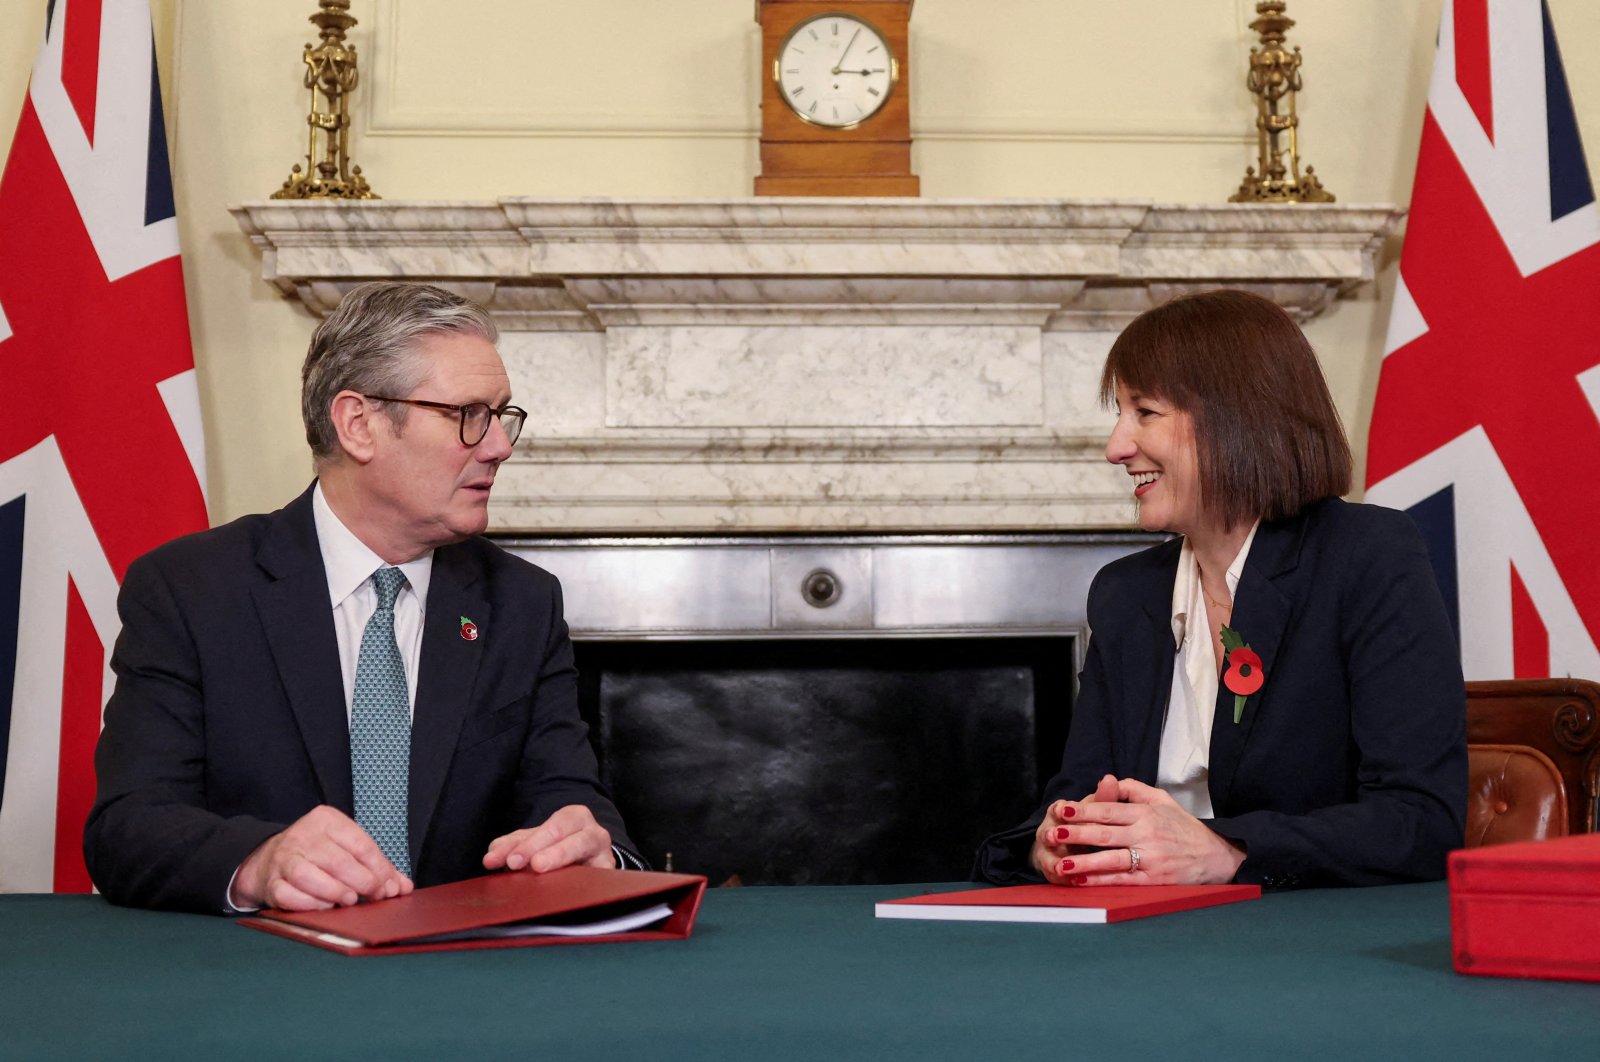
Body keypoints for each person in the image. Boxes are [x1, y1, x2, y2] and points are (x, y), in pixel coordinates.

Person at [85, 281, 642, 914]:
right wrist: (257, 863)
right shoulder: (192, 590)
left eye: (501, 414)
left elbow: (569, 799)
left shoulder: (520, 602)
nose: (500, 446)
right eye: (469, 415)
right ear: (359, 424)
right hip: (262, 978)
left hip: (463, 978)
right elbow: (129, 827)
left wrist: (595, 851)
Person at [974, 289, 1466, 889]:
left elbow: (1420, 822)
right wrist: (1056, 841)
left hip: (1307, 947)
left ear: (1236, 419)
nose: (1115, 448)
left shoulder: (1367, 555)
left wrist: (1227, 852)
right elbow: (1075, 794)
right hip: (1138, 942)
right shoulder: (1125, 593)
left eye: (1144, 413)